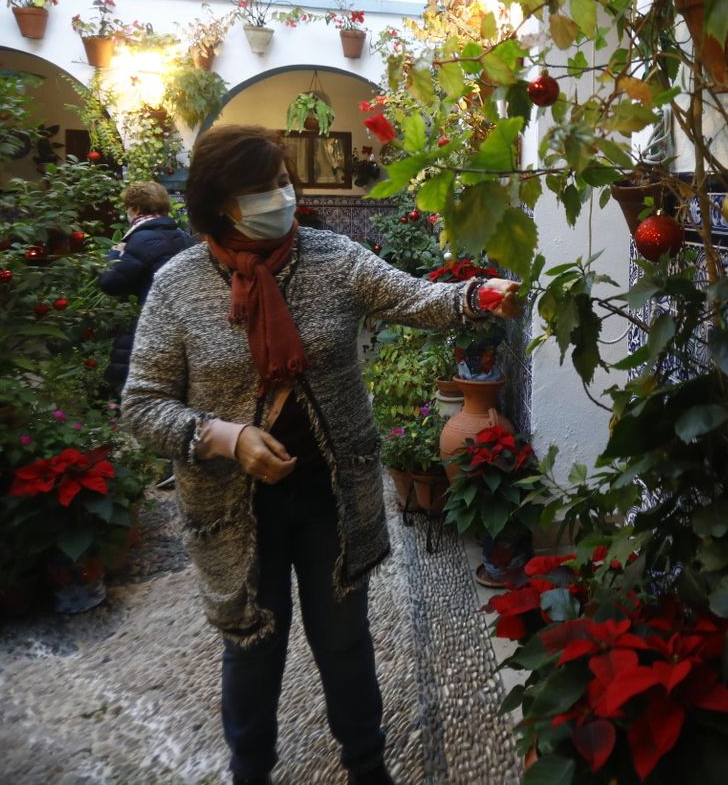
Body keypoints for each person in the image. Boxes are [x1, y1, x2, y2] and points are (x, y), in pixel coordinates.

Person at [120, 125, 519, 785]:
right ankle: (251, 772)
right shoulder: (178, 285)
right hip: (232, 505)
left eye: (281, 180)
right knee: (253, 646)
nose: (279, 195)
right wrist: (229, 437)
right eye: (258, 189)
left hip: (332, 496)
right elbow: (142, 405)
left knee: (343, 639)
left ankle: (367, 766)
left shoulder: (334, 258)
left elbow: (414, 297)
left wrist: (484, 295)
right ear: (219, 203)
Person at [97, 180, 195, 392]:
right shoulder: (184, 238)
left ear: (136, 208)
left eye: (128, 208)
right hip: (183, 324)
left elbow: (111, 283)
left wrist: (114, 253)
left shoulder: (139, 240)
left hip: (144, 324)